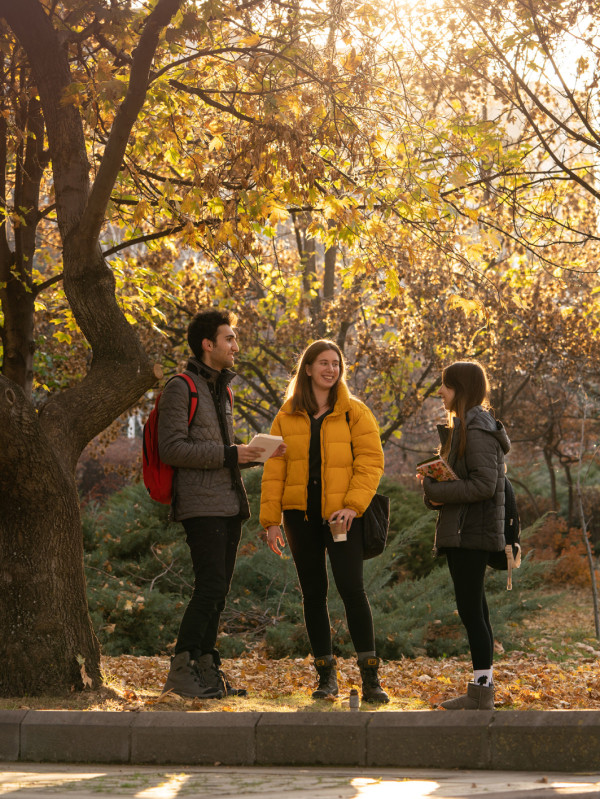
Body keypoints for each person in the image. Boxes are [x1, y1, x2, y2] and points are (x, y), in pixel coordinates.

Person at [157, 308, 283, 699]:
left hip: (229, 504)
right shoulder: (182, 387)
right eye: (229, 338)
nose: (236, 346)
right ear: (207, 344)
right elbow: (172, 448)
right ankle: (181, 669)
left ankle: (207, 666)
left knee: (219, 591)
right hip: (200, 505)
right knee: (209, 587)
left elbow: (222, 451)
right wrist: (233, 454)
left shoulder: (223, 389)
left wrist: (252, 455)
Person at [260, 339, 389, 703]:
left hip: (343, 520)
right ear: (308, 368)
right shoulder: (286, 416)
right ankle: (325, 676)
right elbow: (273, 469)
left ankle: (370, 678)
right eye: (323, 363)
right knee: (313, 595)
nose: (330, 369)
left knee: (352, 590)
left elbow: (370, 463)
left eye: (336, 363)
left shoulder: (355, 413)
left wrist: (352, 506)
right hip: (299, 519)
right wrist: (270, 520)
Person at [420, 361, 510, 710]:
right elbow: (462, 484)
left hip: (472, 533)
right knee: (474, 610)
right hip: (463, 531)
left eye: (445, 385)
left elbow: (485, 486)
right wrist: (434, 489)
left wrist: (439, 490)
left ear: (462, 388)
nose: (440, 392)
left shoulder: (478, 429)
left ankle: (482, 692)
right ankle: (481, 688)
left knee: (473, 611)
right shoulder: (463, 427)